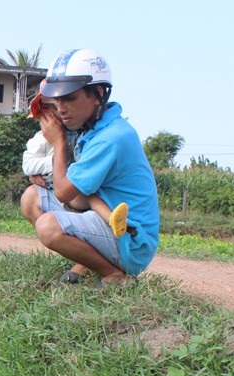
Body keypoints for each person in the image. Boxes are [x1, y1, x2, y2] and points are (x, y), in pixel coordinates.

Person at [20, 48, 158, 286]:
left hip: (129, 238)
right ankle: (85, 262)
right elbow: (72, 189)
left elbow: (64, 192)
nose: (61, 108)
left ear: (97, 93)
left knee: (48, 227)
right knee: (31, 198)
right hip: (100, 217)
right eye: (57, 100)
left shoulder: (111, 137)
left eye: (69, 98)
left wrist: (59, 142)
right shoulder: (90, 129)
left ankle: (113, 274)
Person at [21, 90, 129, 250]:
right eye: (51, 108)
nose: (59, 110)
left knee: (92, 198)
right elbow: (28, 165)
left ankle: (115, 221)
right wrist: (54, 161)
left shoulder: (75, 134)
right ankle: (106, 224)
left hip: (73, 186)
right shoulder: (40, 139)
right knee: (90, 198)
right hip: (55, 188)